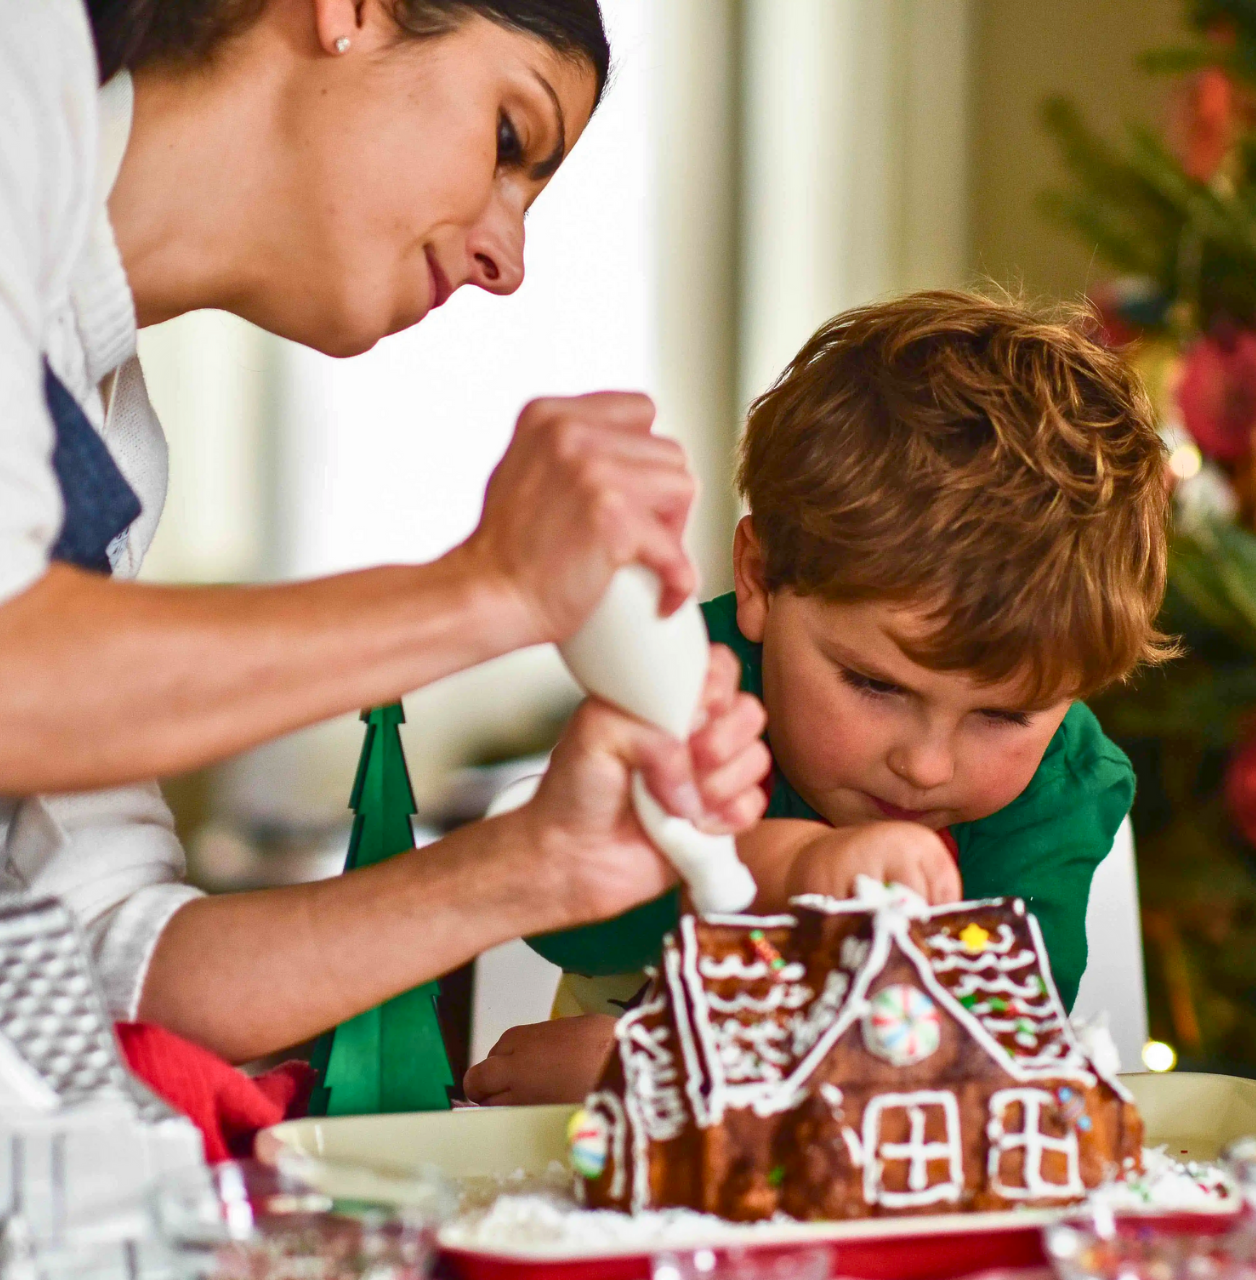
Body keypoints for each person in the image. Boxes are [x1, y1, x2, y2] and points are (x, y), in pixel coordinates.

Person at [0, 0, 769, 1067]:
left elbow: (104, 964)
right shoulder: (18, 66)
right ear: (350, 12)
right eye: (510, 138)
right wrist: (490, 589)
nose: (511, 259)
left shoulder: (113, 443)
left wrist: (531, 866)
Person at [463, 290, 1175, 1105]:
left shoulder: (1060, 786)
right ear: (760, 580)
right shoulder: (683, 689)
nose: (925, 765)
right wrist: (792, 867)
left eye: (1003, 715)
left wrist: (661, 1064)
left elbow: (998, 1031)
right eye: (875, 684)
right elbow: (567, 919)